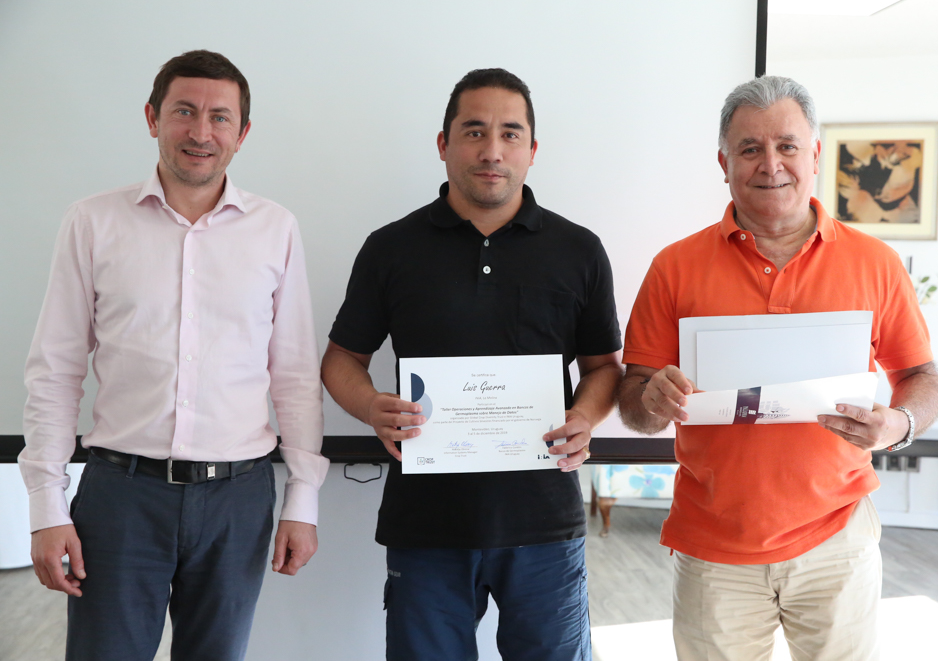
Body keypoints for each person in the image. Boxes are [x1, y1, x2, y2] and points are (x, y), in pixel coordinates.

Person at [618, 75, 938, 660]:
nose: (771, 164)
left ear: (816, 154)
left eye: (787, 145)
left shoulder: (876, 263)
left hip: (838, 538)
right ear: (724, 162)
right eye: (750, 149)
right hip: (713, 547)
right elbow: (634, 399)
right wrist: (649, 400)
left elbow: (922, 377)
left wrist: (900, 425)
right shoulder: (673, 268)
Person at [20, 49, 329, 661]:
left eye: (220, 117)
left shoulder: (276, 229)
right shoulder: (92, 222)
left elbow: (292, 374)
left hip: (238, 500)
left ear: (242, 134)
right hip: (119, 496)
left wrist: (304, 498)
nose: (200, 131)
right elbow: (55, 372)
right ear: (152, 117)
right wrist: (44, 506)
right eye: (184, 111)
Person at [322, 68, 622, 660]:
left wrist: (585, 417)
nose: (492, 150)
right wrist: (369, 407)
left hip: (543, 523)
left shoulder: (579, 250)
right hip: (428, 526)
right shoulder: (391, 248)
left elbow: (605, 368)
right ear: (443, 144)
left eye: (511, 134)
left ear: (533, 151)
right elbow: (341, 360)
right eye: (474, 131)